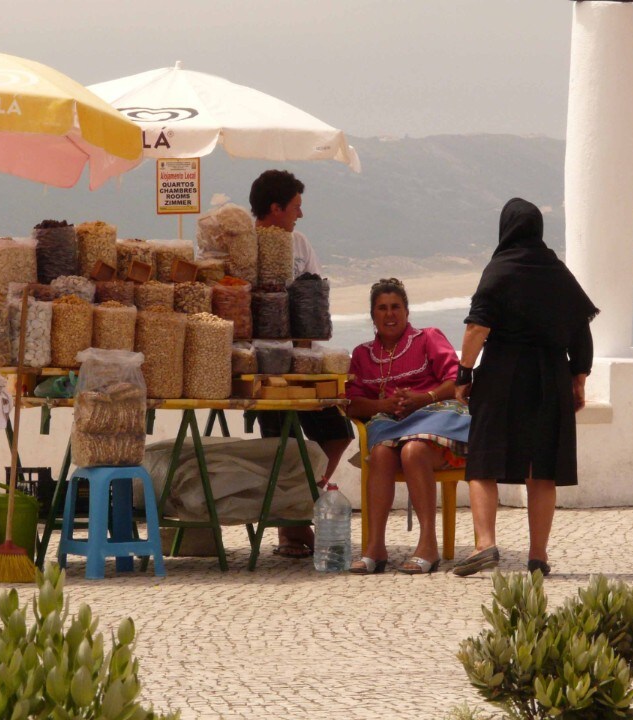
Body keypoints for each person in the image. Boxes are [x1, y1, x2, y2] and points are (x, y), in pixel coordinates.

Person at [453, 198, 598, 578]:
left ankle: (485, 545)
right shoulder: (557, 271)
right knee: (542, 466)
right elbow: (580, 327)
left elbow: (477, 328)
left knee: (483, 460)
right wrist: (578, 378)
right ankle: (538, 556)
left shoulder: (500, 268)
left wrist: (465, 372)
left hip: (502, 372)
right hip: (550, 374)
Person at [248, 169, 355, 559]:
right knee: (281, 444)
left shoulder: (300, 243)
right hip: (261, 364)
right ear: (275, 208)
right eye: (295, 206)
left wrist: (305, 357)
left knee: (338, 431)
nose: (300, 215)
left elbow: (311, 300)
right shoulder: (245, 243)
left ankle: (304, 504)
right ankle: (289, 528)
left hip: (298, 361)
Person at [344, 278, 470, 575]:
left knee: (412, 451)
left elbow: (458, 381)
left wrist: (422, 398)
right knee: (381, 454)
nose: (390, 314)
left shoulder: (428, 338)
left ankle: (428, 545)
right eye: (382, 308)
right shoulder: (362, 355)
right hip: (389, 427)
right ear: (372, 315)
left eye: (396, 307)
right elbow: (352, 403)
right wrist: (383, 406)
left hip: (434, 423)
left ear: (407, 311)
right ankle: (375, 547)